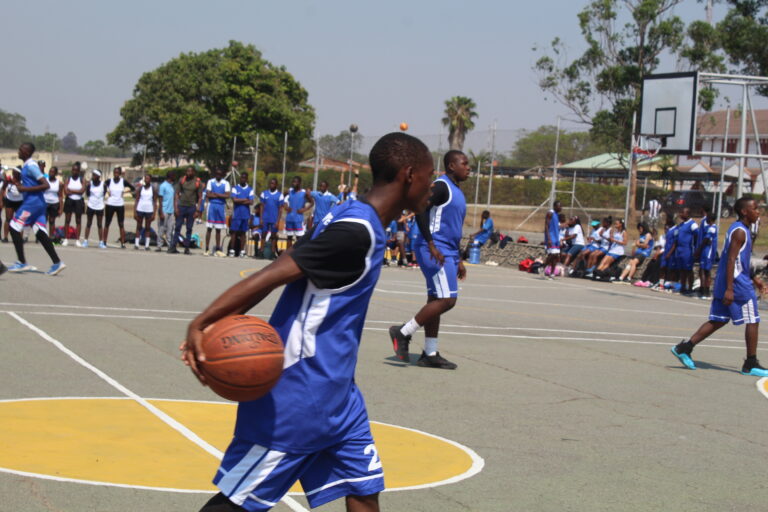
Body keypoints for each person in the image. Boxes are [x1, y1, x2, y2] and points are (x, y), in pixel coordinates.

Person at [180, 132, 434, 512]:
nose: (432, 187)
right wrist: (201, 323)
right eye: (430, 176)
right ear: (409, 174)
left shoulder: (347, 213)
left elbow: (286, 267)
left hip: (340, 396)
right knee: (238, 503)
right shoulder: (355, 233)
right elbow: (271, 275)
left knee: (363, 489)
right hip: (300, 394)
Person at [388, 149, 470, 369]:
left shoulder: (457, 191)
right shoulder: (442, 186)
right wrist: (431, 244)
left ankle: (430, 353)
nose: (468, 167)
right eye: (464, 163)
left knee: (435, 300)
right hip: (434, 249)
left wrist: (459, 258)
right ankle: (403, 332)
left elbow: (453, 228)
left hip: (448, 251)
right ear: (451, 166)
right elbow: (420, 209)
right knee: (447, 300)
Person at [670, 197, 768, 377]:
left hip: (727, 281)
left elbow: (741, 261)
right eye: (755, 209)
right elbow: (731, 260)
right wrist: (730, 289)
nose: (758, 212)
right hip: (737, 283)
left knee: (719, 319)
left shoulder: (739, 229)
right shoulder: (740, 232)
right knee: (753, 319)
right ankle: (750, 363)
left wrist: (755, 279)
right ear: (744, 211)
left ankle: (684, 348)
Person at [5, 143, 65, 275]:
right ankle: (57, 262)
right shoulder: (27, 166)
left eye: (20, 150)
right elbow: (33, 183)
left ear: (26, 152)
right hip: (38, 204)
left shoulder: (31, 166)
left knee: (14, 227)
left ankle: (22, 262)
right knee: (40, 232)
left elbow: (46, 185)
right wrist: (20, 185)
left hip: (32, 204)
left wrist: (24, 189)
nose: (18, 151)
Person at [169, 166, 203, 254]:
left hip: (191, 207)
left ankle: (187, 248)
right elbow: (176, 194)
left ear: (194, 172)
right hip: (181, 206)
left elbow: (200, 197)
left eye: (190, 171)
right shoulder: (182, 180)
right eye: (187, 171)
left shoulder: (197, 182)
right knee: (177, 227)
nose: (188, 173)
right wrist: (176, 207)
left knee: (189, 228)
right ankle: (173, 247)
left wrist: (198, 210)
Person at [103, 167, 134, 249]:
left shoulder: (123, 181)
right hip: (110, 204)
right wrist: (107, 192)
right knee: (107, 223)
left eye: (117, 173)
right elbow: (103, 186)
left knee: (121, 224)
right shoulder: (109, 181)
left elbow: (132, 188)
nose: (116, 174)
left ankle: (123, 243)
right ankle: (104, 242)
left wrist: (125, 191)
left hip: (120, 204)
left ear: (120, 174)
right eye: (115, 173)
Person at [203, 168, 231, 256]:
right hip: (212, 205)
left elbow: (227, 195)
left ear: (222, 175)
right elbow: (208, 194)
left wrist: (216, 194)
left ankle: (218, 249)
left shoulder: (226, 183)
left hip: (221, 206)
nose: (218, 175)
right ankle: (207, 249)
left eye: (220, 174)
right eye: (217, 174)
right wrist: (220, 196)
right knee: (209, 228)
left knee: (218, 229)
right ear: (215, 174)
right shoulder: (210, 182)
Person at [228, 171, 254, 257]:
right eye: (241, 178)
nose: (242, 179)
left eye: (244, 178)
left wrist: (240, 200)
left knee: (243, 233)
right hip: (236, 214)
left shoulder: (250, 189)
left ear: (246, 179)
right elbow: (234, 200)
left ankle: (242, 251)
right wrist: (245, 199)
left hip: (245, 214)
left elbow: (251, 202)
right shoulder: (235, 188)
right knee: (234, 232)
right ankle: (232, 250)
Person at [257, 178, 284, 258]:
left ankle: (272, 253)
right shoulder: (264, 193)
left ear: (276, 185)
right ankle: (261, 252)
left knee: (273, 236)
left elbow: (280, 209)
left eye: (273, 183)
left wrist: (278, 221)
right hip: (265, 218)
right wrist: (261, 219)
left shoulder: (280, 195)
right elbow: (261, 207)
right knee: (263, 235)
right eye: (270, 183)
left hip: (274, 219)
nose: (272, 185)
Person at [675, 207, 699, 295]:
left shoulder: (692, 224)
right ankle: (683, 287)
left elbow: (697, 235)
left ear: (688, 214)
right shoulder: (681, 225)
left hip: (687, 250)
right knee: (682, 270)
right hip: (680, 250)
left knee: (688, 270)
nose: (681, 214)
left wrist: (695, 248)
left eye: (683, 212)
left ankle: (690, 288)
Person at [695, 210, 718, 300]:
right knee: (702, 270)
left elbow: (706, 240)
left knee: (706, 271)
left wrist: (698, 250)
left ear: (710, 219)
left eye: (707, 218)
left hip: (708, 252)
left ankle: (706, 291)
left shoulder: (712, 228)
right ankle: (702, 289)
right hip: (705, 251)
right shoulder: (709, 227)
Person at [284, 176, 311, 250]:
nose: (294, 183)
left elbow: (312, 202)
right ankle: (288, 254)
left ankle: (298, 254)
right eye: (293, 182)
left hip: (298, 219)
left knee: (299, 238)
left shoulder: (304, 193)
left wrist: (304, 209)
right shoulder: (290, 191)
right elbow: (284, 199)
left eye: (296, 182)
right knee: (289, 237)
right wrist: (286, 207)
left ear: (299, 183)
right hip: (289, 218)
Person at [62, 162, 86, 247]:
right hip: (69, 200)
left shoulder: (82, 179)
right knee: (67, 220)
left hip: (79, 201)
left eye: (76, 170)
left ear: (79, 171)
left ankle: (77, 240)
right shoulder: (68, 179)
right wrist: (76, 191)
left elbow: (82, 191)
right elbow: (66, 192)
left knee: (78, 220)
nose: (74, 172)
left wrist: (71, 190)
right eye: (73, 170)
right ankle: (66, 239)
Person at [543, 201, 567, 279]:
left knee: (556, 256)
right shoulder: (550, 213)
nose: (561, 208)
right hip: (551, 237)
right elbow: (546, 226)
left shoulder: (557, 215)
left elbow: (557, 227)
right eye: (560, 206)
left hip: (556, 238)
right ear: (555, 206)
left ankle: (552, 273)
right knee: (552, 255)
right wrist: (548, 238)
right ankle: (543, 266)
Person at [83, 170, 106, 248]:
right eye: (93, 175)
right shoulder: (90, 184)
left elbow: (104, 193)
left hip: (100, 206)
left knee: (99, 224)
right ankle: (85, 241)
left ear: (98, 176)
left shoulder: (103, 185)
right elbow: (87, 194)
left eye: (94, 175)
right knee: (88, 223)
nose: (93, 177)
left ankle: (101, 242)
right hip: (91, 206)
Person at [133, 175, 156, 251]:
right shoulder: (140, 188)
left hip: (149, 210)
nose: (147, 180)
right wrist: (135, 211)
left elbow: (155, 202)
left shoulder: (153, 189)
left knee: (147, 227)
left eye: (148, 178)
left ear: (150, 180)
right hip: (140, 209)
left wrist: (154, 213)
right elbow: (136, 200)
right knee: (138, 226)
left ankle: (147, 245)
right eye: (146, 179)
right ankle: (136, 244)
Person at [3, 167, 25, 243]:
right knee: (8, 219)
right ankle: (5, 237)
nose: (14, 174)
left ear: (19, 173)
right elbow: (3, 188)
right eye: (13, 172)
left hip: (20, 201)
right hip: (10, 200)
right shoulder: (9, 179)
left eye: (15, 172)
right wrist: (1, 199)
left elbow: (23, 189)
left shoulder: (23, 180)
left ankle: (20, 238)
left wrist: (15, 183)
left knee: (20, 220)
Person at [156, 171, 176, 251]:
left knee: (170, 229)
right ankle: (159, 246)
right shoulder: (163, 186)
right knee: (161, 229)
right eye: (173, 176)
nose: (174, 177)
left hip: (171, 211)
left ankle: (169, 245)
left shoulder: (172, 186)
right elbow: (160, 199)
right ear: (170, 176)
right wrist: (160, 211)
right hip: (164, 210)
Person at [44, 166, 64, 239]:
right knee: (44, 220)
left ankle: (51, 237)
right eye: (50, 171)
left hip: (54, 203)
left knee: (52, 221)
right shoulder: (45, 181)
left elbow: (60, 196)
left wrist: (61, 208)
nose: (51, 173)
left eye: (53, 172)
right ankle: (43, 237)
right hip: (45, 203)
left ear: (55, 173)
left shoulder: (59, 183)